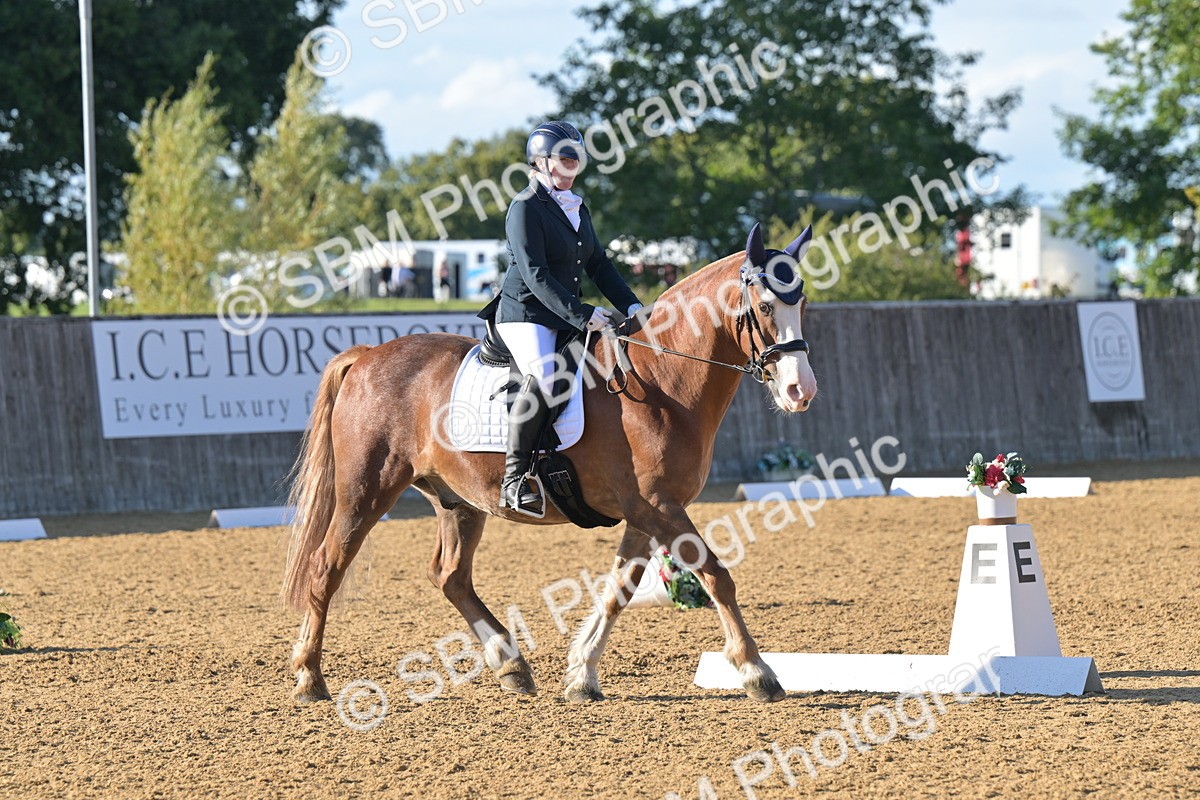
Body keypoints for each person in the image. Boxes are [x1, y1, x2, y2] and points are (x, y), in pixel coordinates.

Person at [492, 120, 643, 515]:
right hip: (525, 313)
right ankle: (514, 479)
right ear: (541, 162)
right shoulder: (525, 208)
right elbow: (535, 274)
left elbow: (599, 265)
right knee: (544, 376)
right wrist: (583, 313)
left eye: (578, 158)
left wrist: (632, 305)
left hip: (563, 315)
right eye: (565, 157)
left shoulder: (577, 207)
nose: (573, 165)